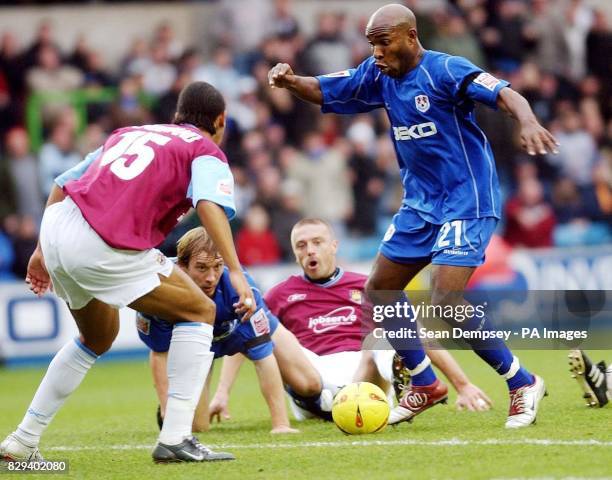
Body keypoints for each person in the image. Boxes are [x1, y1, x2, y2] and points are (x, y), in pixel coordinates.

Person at [268, 4, 559, 428]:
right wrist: (290, 81)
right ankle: (424, 382)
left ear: (410, 36)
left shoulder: (445, 70)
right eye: (372, 44)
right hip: (420, 205)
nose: (377, 53)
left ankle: (521, 381)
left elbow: (505, 93)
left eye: (383, 43)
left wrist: (528, 121)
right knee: (380, 288)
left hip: (466, 199)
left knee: (444, 298)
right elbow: (327, 89)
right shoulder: (377, 73)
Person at [0, 81, 256, 465]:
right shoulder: (205, 149)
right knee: (200, 311)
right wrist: (234, 271)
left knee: (97, 336)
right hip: (100, 242)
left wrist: (41, 249)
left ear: (176, 116)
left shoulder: (129, 132)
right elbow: (209, 204)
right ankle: (176, 437)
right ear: (221, 121)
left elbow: (62, 182)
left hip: (57, 226)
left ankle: (22, 441)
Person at [210, 218, 493, 422]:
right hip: (311, 372)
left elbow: (419, 334)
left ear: (334, 246)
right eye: (302, 245)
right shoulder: (281, 293)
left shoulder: (369, 286)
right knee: (258, 323)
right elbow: (248, 338)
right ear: (295, 253)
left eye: (317, 242)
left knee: (385, 333)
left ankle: (398, 375)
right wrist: (222, 393)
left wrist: (463, 385)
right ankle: (344, 391)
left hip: (363, 371)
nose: (310, 250)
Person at [136, 226, 301, 434]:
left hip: (235, 330)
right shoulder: (159, 289)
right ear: (182, 266)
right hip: (197, 345)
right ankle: (174, 404)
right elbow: (160, 353)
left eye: (217, 267)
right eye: (202, 268)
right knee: (197, 427)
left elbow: (263, 356)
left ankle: (308, 404)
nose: (211, 278)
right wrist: (168, 410)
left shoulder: (241, 291)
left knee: (308, 383)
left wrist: (281, 425)